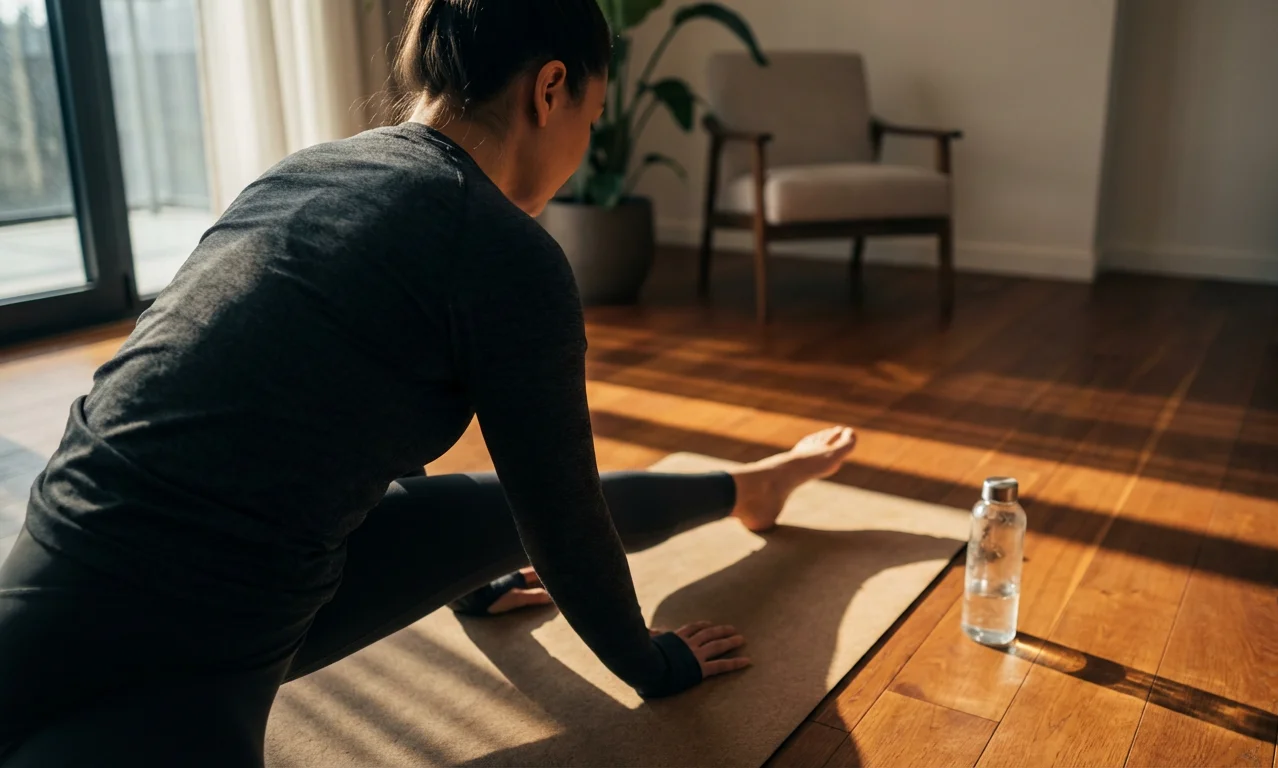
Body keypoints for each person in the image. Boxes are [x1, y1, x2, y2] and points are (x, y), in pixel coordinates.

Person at [0, 0, 858, 765]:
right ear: (549, 88)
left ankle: (752, 485)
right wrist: (656, 663)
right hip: (192, 647)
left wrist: (466, 576)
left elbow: (337, 397)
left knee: (500, 513)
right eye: (592, 119)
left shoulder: (306, 171)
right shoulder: (504, 251)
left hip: (49, 573)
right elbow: (564, 528)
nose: (583, 146)